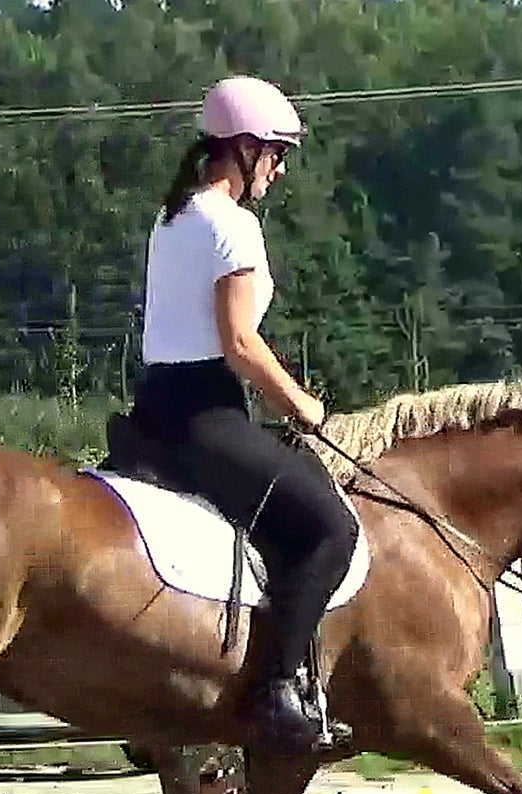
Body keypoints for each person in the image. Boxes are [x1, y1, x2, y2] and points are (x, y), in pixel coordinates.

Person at [132, 75, 359, 755]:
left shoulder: (173, 216)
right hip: (205, 415)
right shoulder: (233, 225)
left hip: (154, 407)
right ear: (246, 148)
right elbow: (238, 342)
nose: (280, 170)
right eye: (277, 154)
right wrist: (301, 404)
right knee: (330, 529)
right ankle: (276, 690)